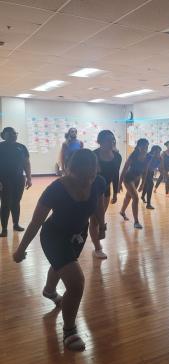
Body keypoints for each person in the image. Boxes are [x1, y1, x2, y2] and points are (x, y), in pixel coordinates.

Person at [13, 149, 106, 351]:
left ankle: (49, 291)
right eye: (83, 175)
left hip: (78, 235)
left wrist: (102, 224)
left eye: (91, 174)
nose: (87, 180)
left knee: (62, 266)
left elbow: (99, 205)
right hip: (53, 236)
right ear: (72, 169)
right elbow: (36, 222)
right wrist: (21, 250)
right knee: (76, 282)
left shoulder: (98, 182)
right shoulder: (56, 189)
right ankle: (70, 330)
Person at [90, 130, 122, 259]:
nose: (112, 142)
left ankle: (97, 244)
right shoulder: (93, 155)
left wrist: (115, 192)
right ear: (100, 141)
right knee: (94, 220)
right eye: (108, 140)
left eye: (113, 140)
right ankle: (98, 248)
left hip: (106, 191)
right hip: (91, 192)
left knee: (99, 218)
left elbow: (115, 175)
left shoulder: (117, 157)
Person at [0, 127, 32, 237]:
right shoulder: (1, 146)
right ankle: (4, 228)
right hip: (4, 179)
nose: (15, 135)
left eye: (15, 133)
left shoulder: (21, 147)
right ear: (5, 135)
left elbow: (26, 163)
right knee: (5, 203)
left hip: (19, 179)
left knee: (16, 202)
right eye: (12, 133)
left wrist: (29, 178)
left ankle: (16, 224)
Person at [119, 138, 149, 229]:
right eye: (143, 146)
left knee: (129, 196)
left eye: (147, 146)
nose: (145, 148)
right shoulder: (133, 155)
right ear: (139, 147)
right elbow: (124, 169)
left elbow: (145, 171)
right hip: (128, 178)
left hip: (137, 179)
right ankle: (136, 221)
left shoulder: (147, 157)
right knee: (135, 198)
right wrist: (119, 183)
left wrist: (143, 183)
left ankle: (122, 212)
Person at [141, 145, 162, 210]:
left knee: (147, 185)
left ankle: (142, 196)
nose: (159, 153)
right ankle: (148, 204)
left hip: (150, 172)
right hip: (145, 172)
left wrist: (155, 169)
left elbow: (157, 166)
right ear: (154, 151)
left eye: (159, 152)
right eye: (158, 152)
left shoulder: (159, 158)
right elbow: (145, 167)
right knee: (150, 184)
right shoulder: (148, 156)